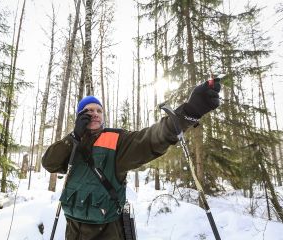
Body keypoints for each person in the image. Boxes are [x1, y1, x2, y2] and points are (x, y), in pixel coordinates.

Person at [42, 78, 221, 240]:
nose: (94, 113)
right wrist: (73, 137)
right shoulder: (71, 144)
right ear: (79, 116)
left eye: (99, 110)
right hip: (72, 231)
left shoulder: (116, 140)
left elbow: (151, 138)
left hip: (107, 231)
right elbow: (49, 163)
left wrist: (189, 112)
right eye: (88, 111)